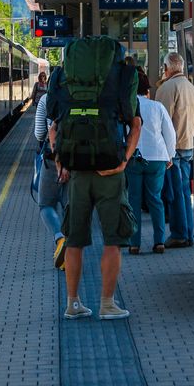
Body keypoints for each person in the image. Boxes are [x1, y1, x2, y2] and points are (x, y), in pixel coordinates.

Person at [49, 44, 141, 321]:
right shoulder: (120, 77)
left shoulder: (65, 78)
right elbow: (135, 124)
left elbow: (53, 128)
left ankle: (72, 303)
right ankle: (107, 304)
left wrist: (60, 163)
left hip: (76, 172)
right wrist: (123, 160)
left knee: (74, 241)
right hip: (110, 173)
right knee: (112, 241)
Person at [127, 69, 177, 254]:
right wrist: (170, 155)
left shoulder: (128, 106)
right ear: (147, 91)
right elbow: (169, 133)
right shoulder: (157, 107)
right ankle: (159, 241)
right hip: (157, 157)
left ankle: (134, 243)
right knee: (155, 199)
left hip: (134, 158)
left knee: (134, 200)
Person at [154, 52, 194, 247]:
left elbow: (161, 122)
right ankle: (189, 232)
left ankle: (180, 233)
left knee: (174, 193)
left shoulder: (167, 88)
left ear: (166, 68)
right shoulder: (192, 88)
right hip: (188, 143)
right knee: (184, 191)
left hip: (172, 149)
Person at [32, 84, 66, 269]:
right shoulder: (82, 97)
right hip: (79, 162)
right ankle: (72, 246)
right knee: (72, 206)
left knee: (45, 203)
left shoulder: (46, 99)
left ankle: (60, 238)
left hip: (52, 160)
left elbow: (39, 133)